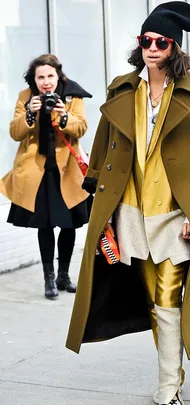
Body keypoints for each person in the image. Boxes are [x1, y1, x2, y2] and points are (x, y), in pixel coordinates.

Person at [65, 2, 190, 405]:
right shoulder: (123, 88)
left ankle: (166, 389)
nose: (152, 47)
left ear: (175, 48)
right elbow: (104, 144)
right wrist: (97, 195)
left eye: (161, 41)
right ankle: (172, 374)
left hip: (176, 212)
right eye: (146, 40)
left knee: (168, 300)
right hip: (129, 210)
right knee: (152, 300)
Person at [0, 54, 92, 300]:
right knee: (45, 225)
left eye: (50, 76)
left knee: (69, 225)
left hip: (67, 171)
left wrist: (63, 116)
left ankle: (63, 275)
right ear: (35, 79)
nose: (46, 82)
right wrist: (29, 114)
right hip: (39, 171)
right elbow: (15, 133)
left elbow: (81, 126)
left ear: (58, 76)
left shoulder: (72, 96)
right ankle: (48, 278)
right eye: (40, 77)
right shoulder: (25, 97)